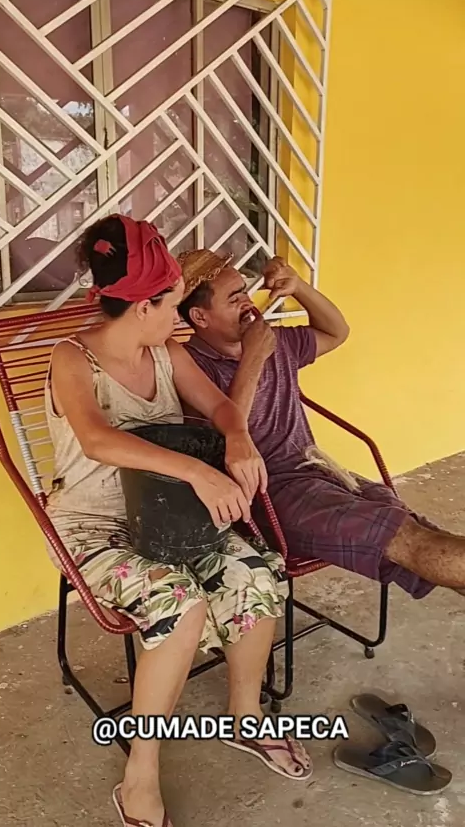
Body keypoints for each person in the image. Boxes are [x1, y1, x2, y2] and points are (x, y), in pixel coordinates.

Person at [44, 217, 312, 827]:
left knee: (257, 573)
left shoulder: (166, 352)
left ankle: (246, 717)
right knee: (181, 604)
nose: (179, 318)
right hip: (96, 527)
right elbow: (96, 438)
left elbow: (220, 407)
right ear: (143, 306)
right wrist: (197, 472)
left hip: (172, 516)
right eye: (171, 304)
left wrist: (238, 437)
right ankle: (139, 777)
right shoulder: (72, 358)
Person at [177, 248, 465, 602]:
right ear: (200, 316)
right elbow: (220, 439)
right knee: (408, 541)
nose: (248, 303)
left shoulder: (274, 342)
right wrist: (254, 357)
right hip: (266, 496)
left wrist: (299, 286)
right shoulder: (190, 367)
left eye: (245, 292)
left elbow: (336, 332)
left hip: (317, 470)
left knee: (413, 530)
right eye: (234, 298)